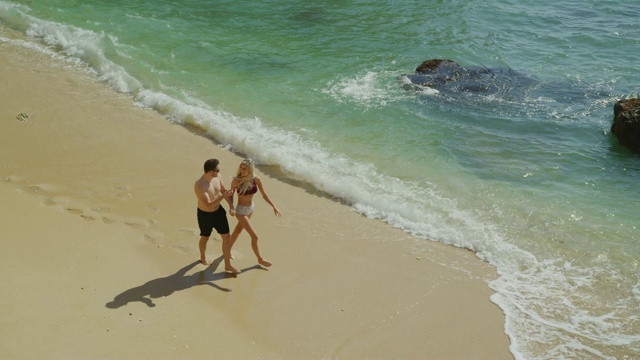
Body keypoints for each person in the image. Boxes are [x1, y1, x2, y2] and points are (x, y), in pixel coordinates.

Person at [229, 159, 281, 267]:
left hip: (251, 208)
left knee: (238, 230)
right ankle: (260, 259)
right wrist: (231, 207)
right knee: (255, 236)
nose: (242, 170)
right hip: (241, 211)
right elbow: (230, 195)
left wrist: (274, 206)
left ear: (250, 170)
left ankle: (227, 250)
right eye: (241, 168)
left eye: (245, 169)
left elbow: (264, 195)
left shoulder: (256, 179)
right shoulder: (236, 181)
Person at [194, 158, 240, 274]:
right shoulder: (200, 185)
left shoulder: (217, 177)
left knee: (226, 237)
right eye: (217, 170)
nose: (219, 172)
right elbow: (208, 205)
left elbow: (224, 191)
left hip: (218, 212)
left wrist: (231, 206)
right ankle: (203, 257)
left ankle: (228, 265)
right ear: (210, 172)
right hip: (205, 215)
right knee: (205, 237)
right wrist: (223, 196)